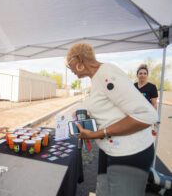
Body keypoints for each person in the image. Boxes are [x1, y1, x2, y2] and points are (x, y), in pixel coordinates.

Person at [65, 43, 158, 196]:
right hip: (111, 150)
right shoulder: (96, 78)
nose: (71, 70)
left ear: (80, 59)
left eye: (70, 65)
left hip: (130, 153)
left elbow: (147, 115)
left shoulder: (107, 75)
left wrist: (98, 133)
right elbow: (110, 110)